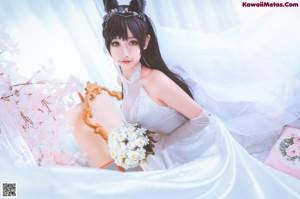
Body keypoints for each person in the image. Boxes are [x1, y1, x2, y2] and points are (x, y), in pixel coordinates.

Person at [1, 0, 300, 198]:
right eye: (116, 43)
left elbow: (202, 118)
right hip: (171, 157)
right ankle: (13, 188)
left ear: (145, 42)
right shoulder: (123, 78)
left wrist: (163, 142)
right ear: (107, 47)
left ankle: (17, 189)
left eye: (132, 42)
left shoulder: (154, 80)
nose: (125, 51)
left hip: (203, 154)